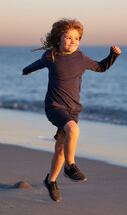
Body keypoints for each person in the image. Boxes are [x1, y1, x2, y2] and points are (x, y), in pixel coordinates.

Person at [22, 18, 121, 202]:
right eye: (68, 38)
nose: (73, 41)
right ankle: (70, 167)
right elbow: (35, 65)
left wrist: (113, 56)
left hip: (73, 110)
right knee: (73, 130)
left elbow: (100, 67)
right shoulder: (50, 56)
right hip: (54, 107)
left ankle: (50, 181)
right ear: (58, 39)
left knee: (60, 147)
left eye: (76, 38)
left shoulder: (81, 58)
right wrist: (26, 70)